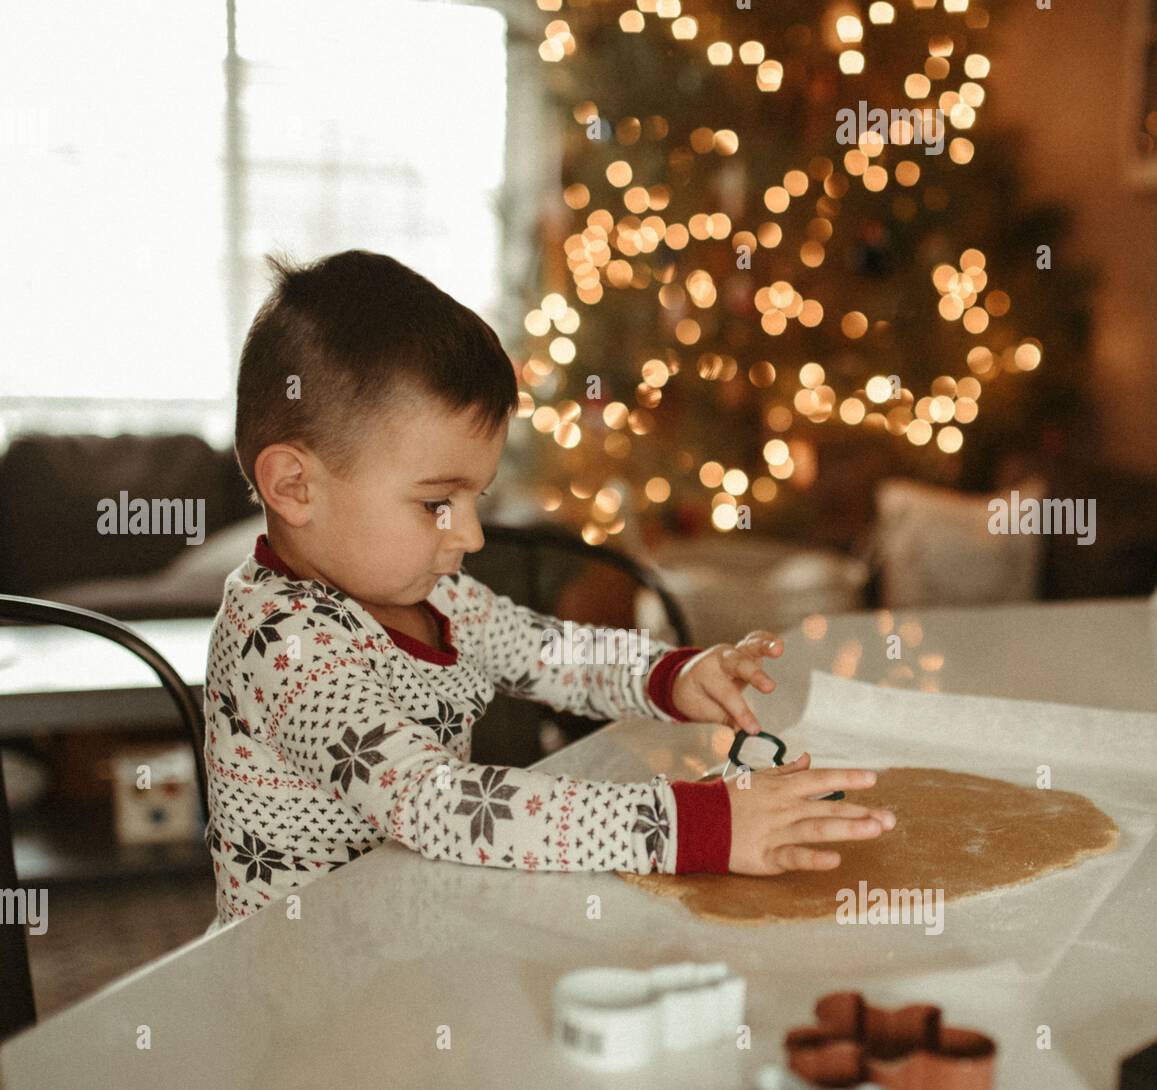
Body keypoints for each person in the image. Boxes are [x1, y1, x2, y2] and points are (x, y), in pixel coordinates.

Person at [204, 250, 894, 926]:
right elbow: (439, 805)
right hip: (304, 990)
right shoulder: (281, 644)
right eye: (437, 503)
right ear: (295, 486)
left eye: (477, 496)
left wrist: (669, 677)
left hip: (414, 935)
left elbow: (548, 652)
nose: (471, 535)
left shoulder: (430, 591)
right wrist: (695, 825)